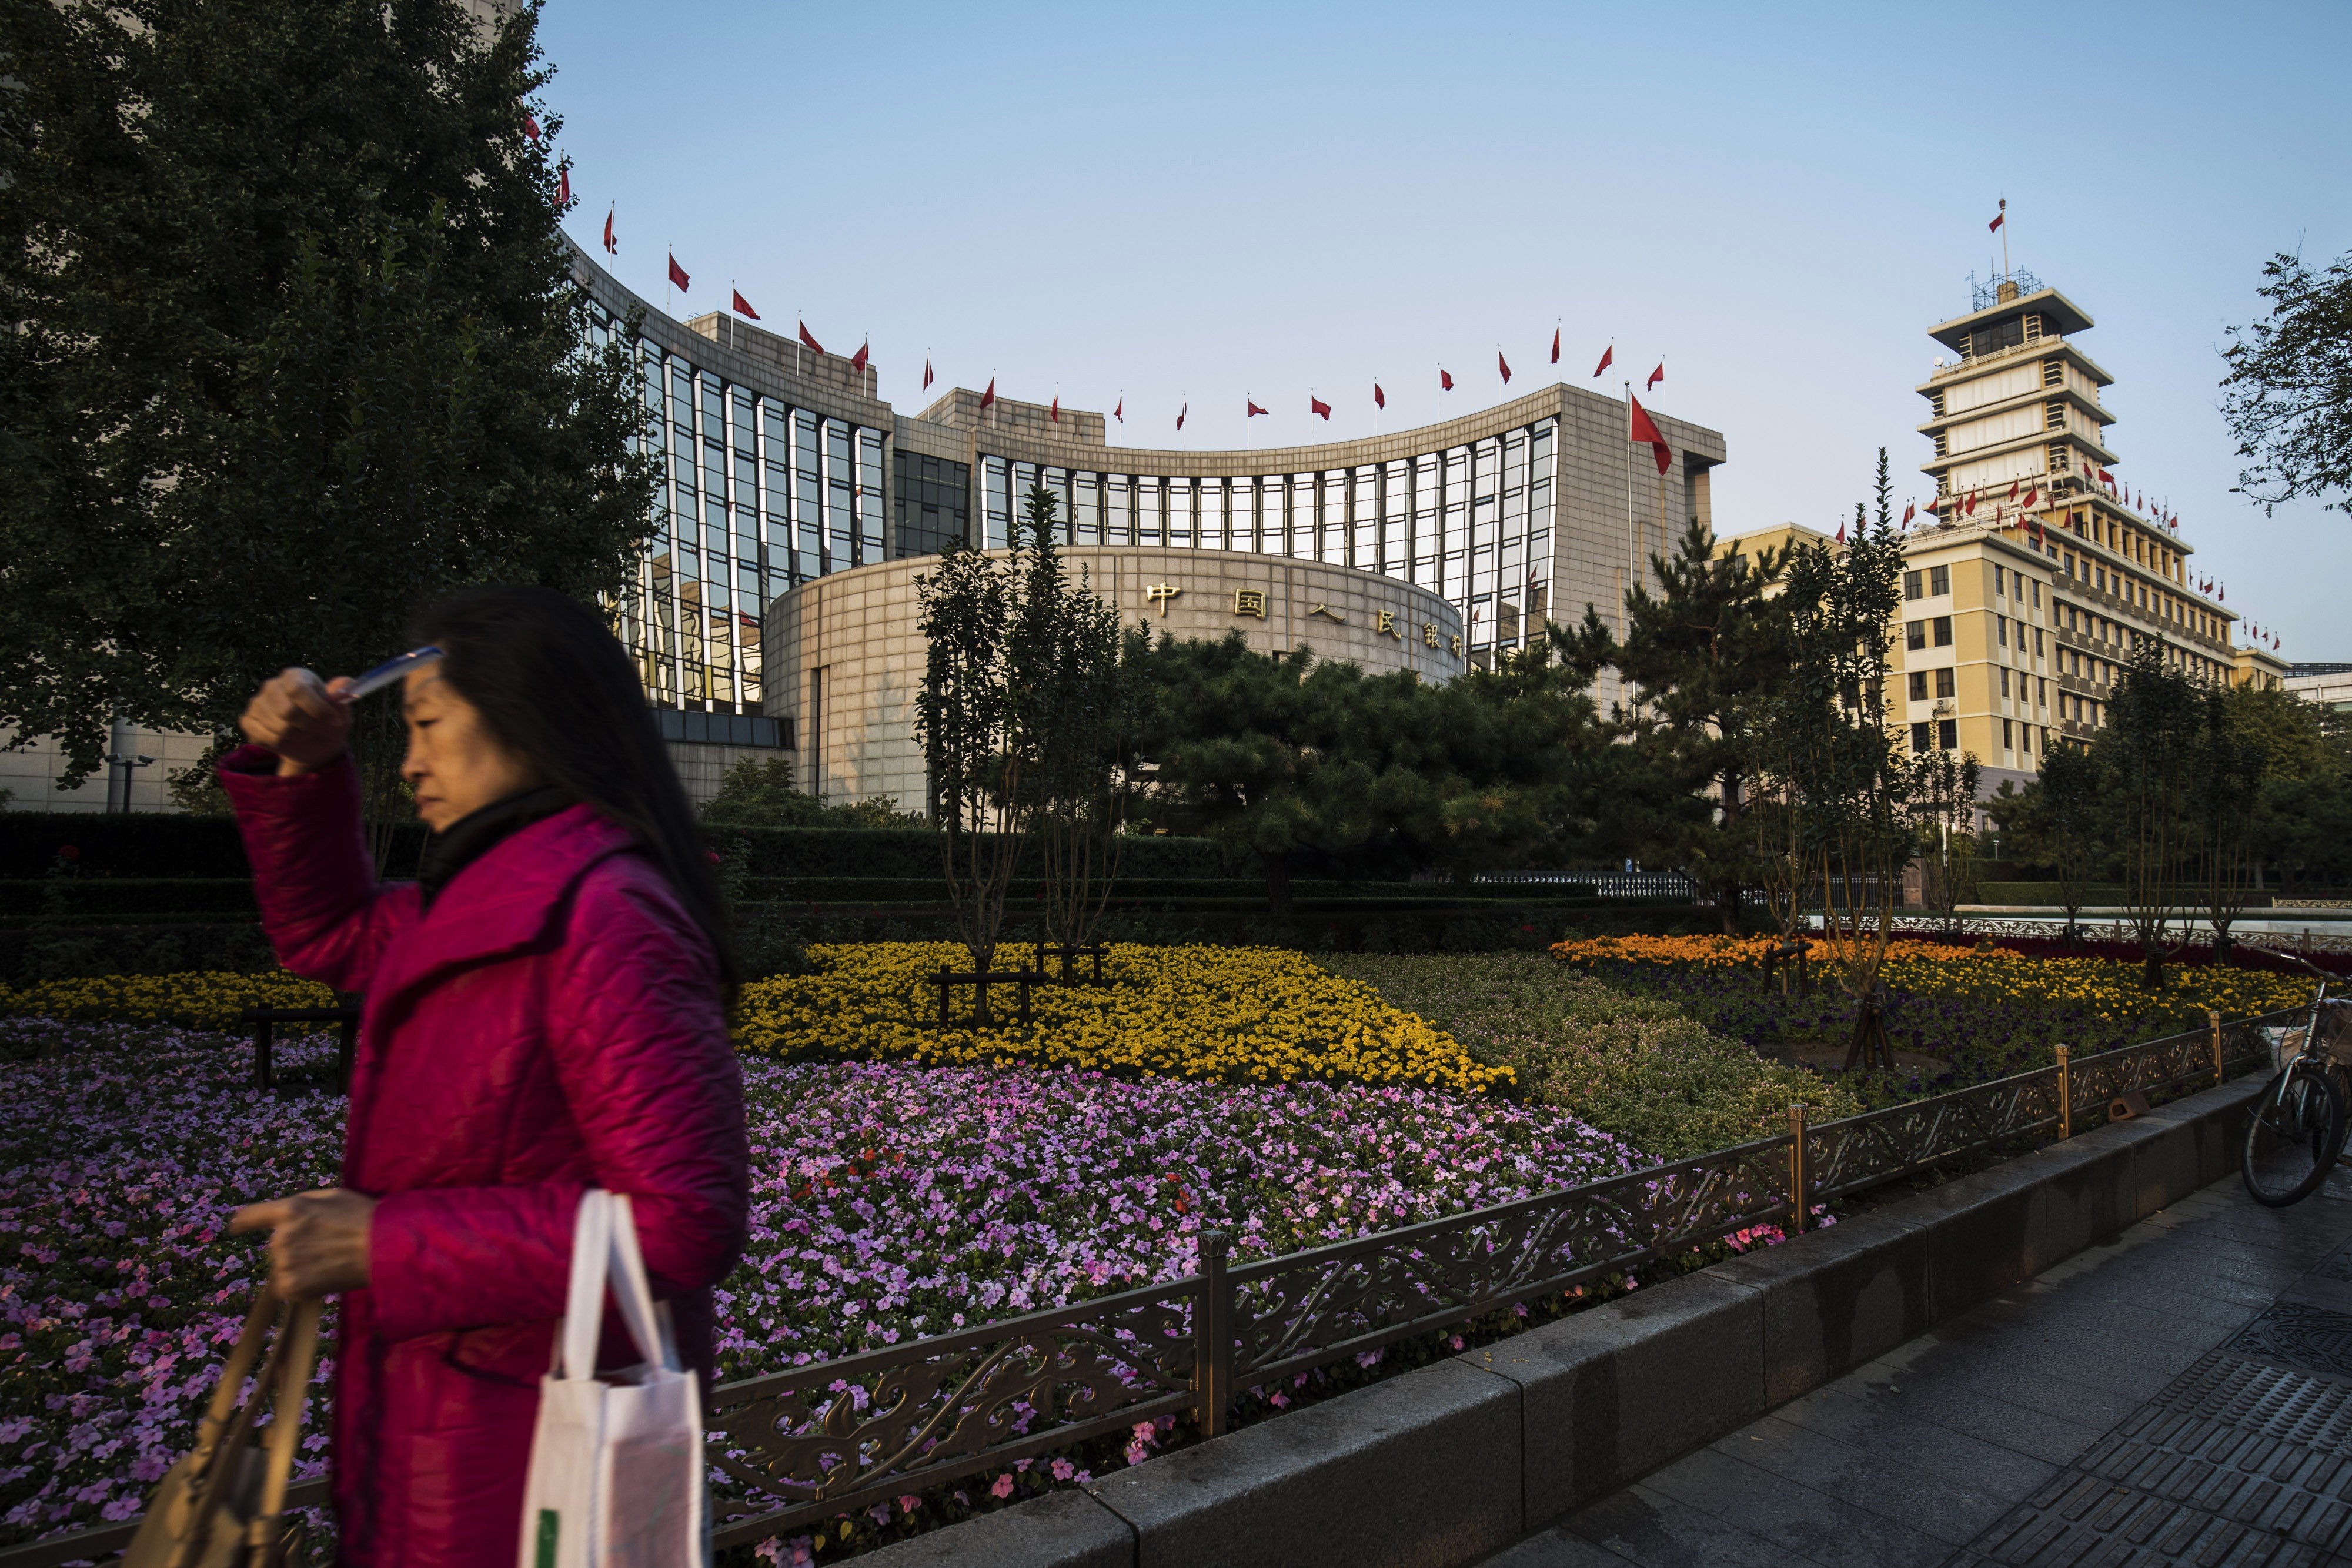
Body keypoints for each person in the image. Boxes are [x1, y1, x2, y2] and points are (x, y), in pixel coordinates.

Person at [223, 586, 749, 1568]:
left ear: (527, 717)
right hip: (438, 1432)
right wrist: (307, 764)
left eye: (426, 726)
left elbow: (685, 1221)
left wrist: (385, 1243)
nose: (411, 760)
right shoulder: (482, 893)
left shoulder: (607, 915)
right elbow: (327, 932)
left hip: (532, 1459)